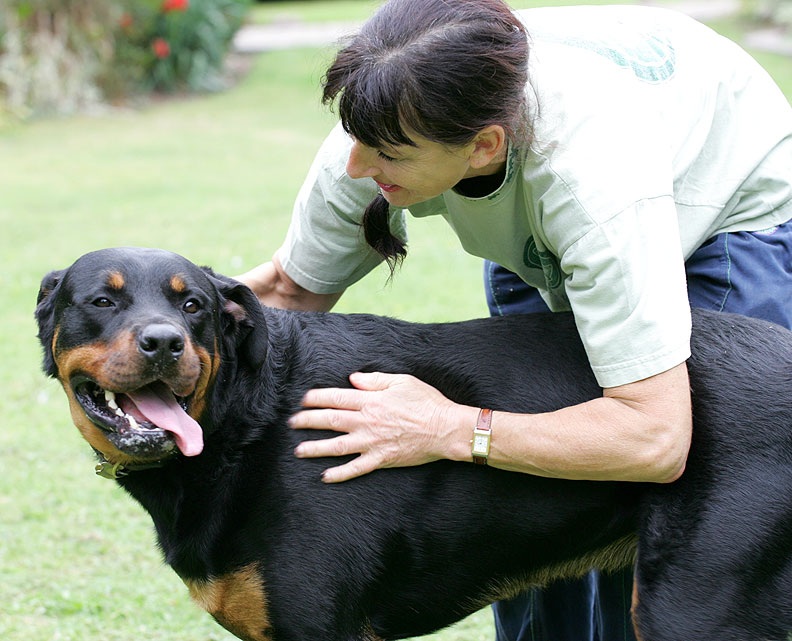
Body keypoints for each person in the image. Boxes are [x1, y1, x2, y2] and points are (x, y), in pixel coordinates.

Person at [235, 0, 792, 639]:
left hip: (717, 196)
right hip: (538, 220)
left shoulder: (593, 187)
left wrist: (449, 428)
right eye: (355, 140)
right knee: (526, 507)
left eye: (386, 153)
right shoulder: (390, 118)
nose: (356, 167)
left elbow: (655, 438)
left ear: (483, 146)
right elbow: (287, 291)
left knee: (684, 556)